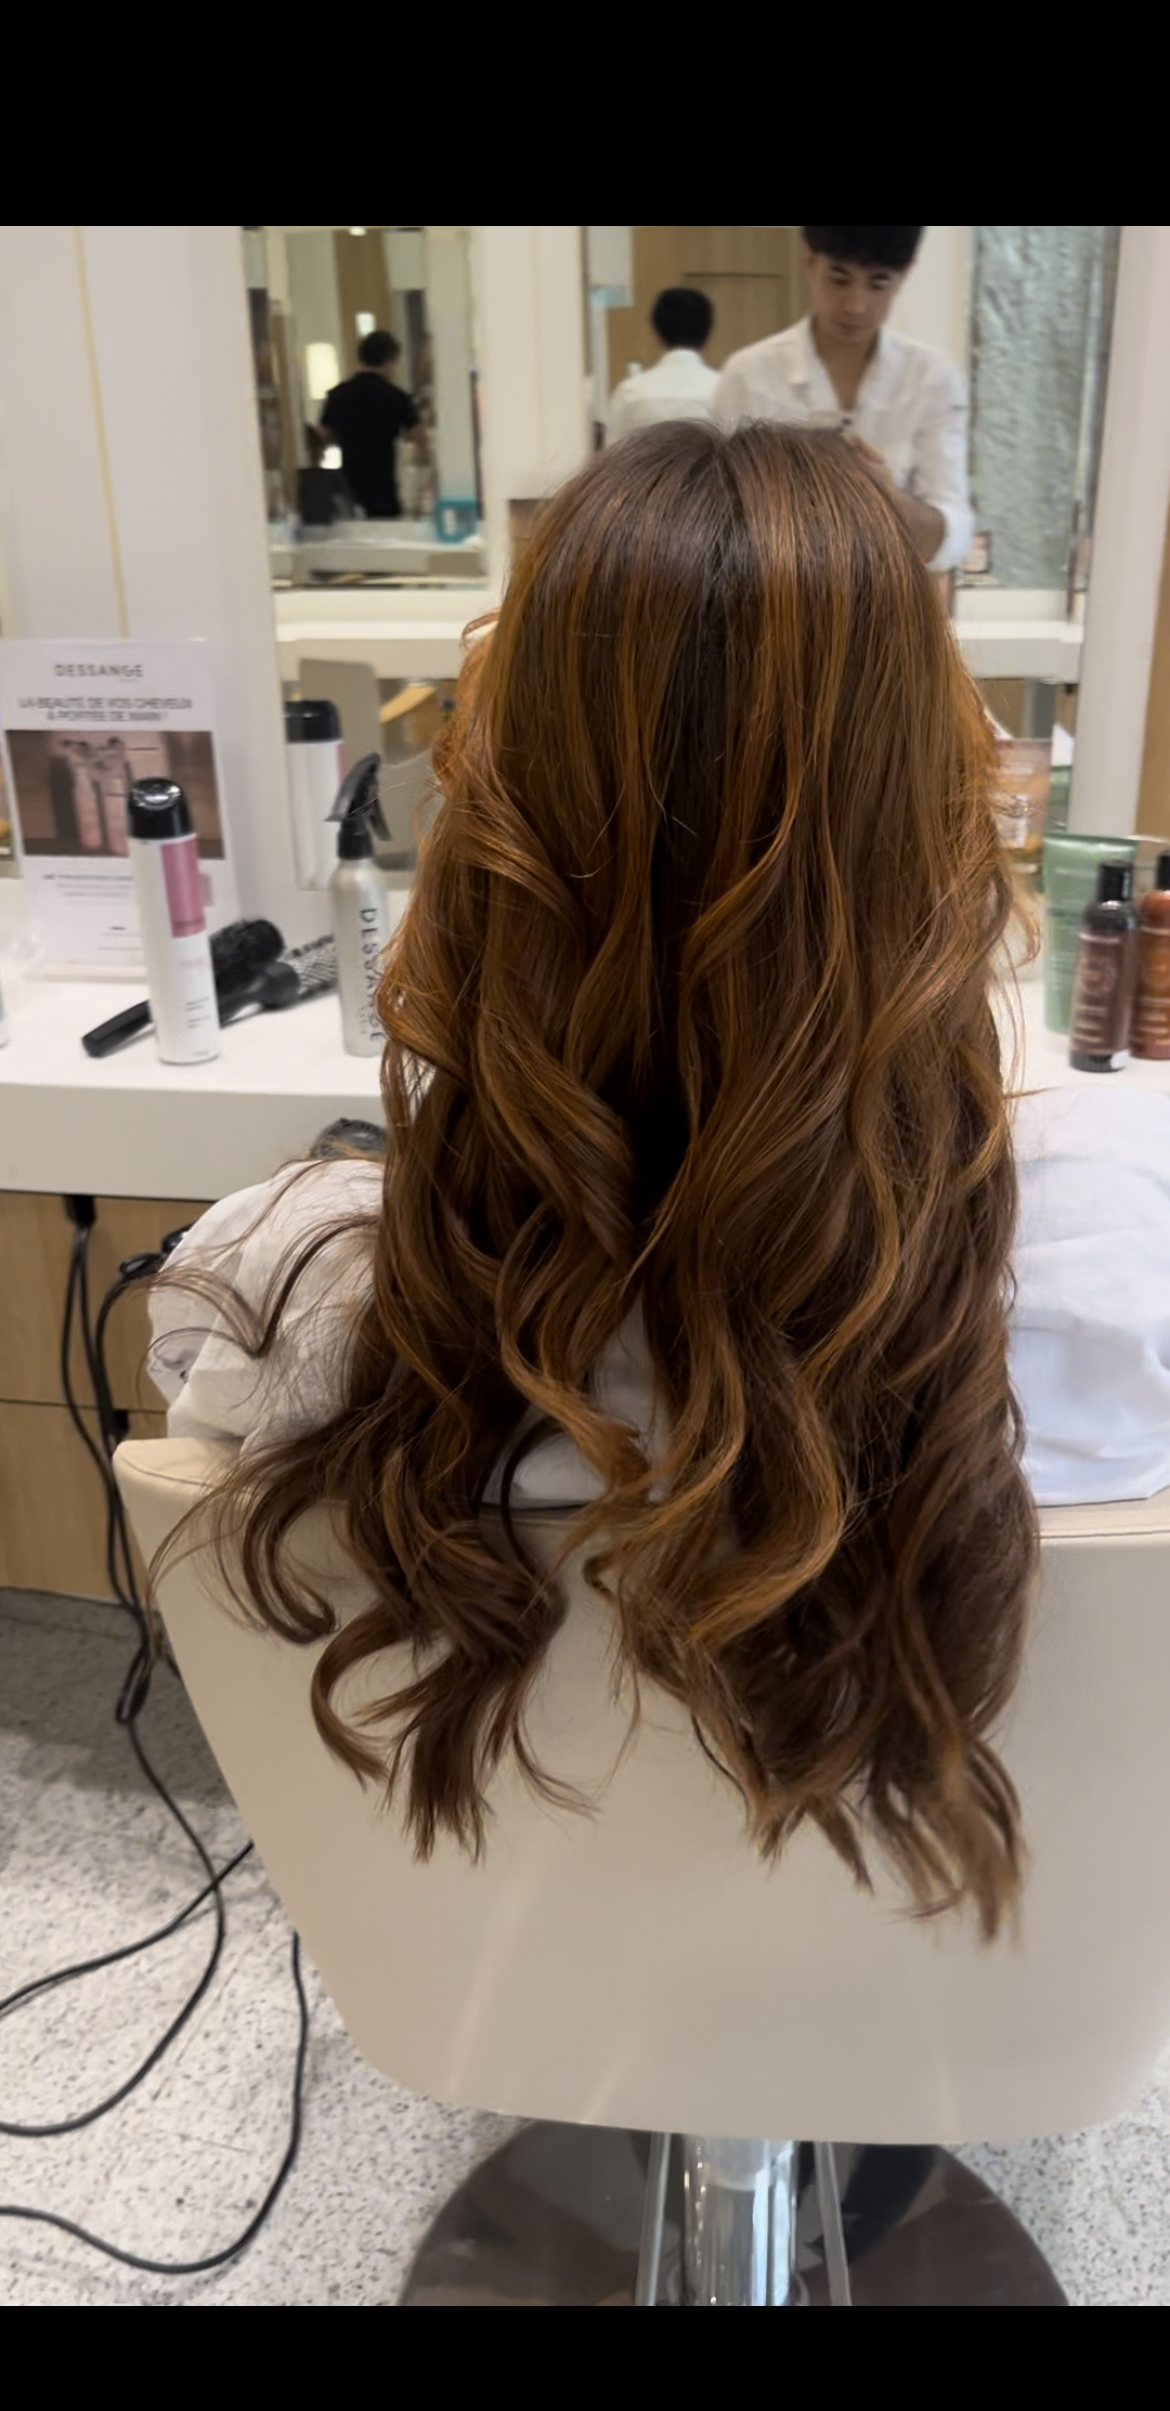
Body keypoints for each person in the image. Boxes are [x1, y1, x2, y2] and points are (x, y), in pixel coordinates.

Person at [145, 423, 1170, 1949]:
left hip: (512, 1975)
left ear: (494, 817)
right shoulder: (1118, 1249)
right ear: (931, 819)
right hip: (973, 1967)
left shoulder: (280, 1285)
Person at [712, 227, 973, 571]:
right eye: (839, 279)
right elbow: (712, 518)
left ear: (905, 275)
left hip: (890, 595)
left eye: (878, 284)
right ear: (809, 260)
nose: (855, 306)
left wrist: (888, 500)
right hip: (775, 591)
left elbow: (953, 537)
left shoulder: (931, 379)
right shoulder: (748, 376)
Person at [318, 330, 420, 521]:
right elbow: (416, 436)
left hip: (348, 488)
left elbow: (324, 437)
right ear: (389, 360)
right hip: (384, 489)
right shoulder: (396, 396)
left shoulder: (337, 395)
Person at [607, 288, 720, 440]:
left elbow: (612, 451)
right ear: (708, 331)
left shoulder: (630, 393)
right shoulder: (723, 391)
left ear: (657, 331)